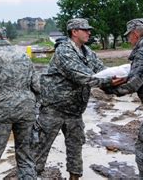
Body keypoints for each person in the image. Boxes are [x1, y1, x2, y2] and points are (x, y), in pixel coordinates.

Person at [32, 18, 125, 179]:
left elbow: (102, 72)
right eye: (85, 29)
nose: (89, 32)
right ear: (74, 32)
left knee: (75, 149)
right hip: (53, 109)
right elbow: (84, 77)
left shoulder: (88, 52)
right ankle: (30, 176)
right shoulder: (64, 51)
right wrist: (109, 81)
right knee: (39, 150)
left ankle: (74, 178)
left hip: (74, 112)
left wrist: (121, 81)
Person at [0, 27, 39, 179]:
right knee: (26, 159)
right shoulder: (23, 55)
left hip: (0, 111)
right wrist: (34, 107)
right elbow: (37, 85)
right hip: (26, 110)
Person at [103, 18, 143, 178]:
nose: (128, 39)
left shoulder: (142, 51)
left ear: (135, 34)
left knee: (142, 151)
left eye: (128, 36)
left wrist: (109, 88)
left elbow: (135, 82)